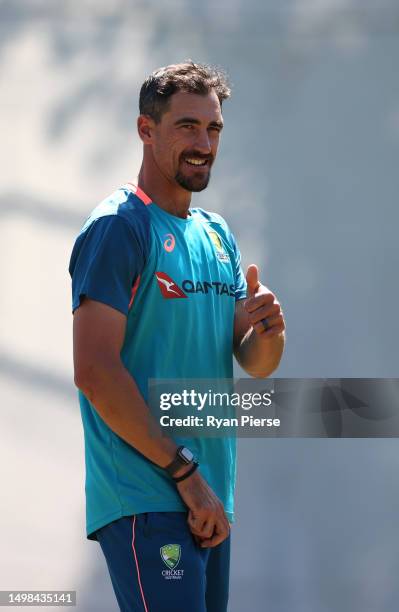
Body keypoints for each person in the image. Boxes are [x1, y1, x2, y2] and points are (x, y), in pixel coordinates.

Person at [69, 60, 285, 612]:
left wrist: (268, 328)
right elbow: (95, 372)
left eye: (212, 129)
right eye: (187, 126)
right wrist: (185, 473)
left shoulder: (216, 234)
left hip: (209, 502)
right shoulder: (120, 227)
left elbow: (256, 363)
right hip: (150, 497)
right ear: (146, 129)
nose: (204, 143)